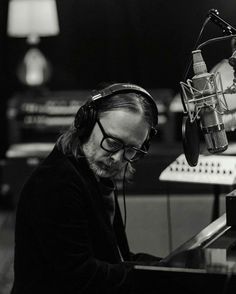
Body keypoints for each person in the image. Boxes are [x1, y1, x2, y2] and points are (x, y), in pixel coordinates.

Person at [11, 82, 163, 294]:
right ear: (87, 123)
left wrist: (172, 268)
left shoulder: (94, 178)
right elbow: (81, 275)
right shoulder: (56, 183)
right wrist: (161, 277)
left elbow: (117, 259)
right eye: (112, 143)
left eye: (131, 150)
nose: (117, 158)